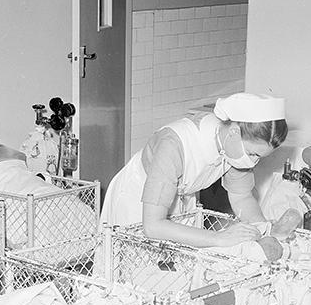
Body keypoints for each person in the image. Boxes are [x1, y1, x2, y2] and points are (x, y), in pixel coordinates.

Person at [100, 92, 289, 247]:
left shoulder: (234, 149)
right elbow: (152, 226)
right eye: (252, 154)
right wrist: (219, 238)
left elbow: (242, 197)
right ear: (233, 132)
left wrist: (262, 231)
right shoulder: (174, 145)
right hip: (140, 201)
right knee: (139, 277)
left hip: (183, 197)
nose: (253, 163)